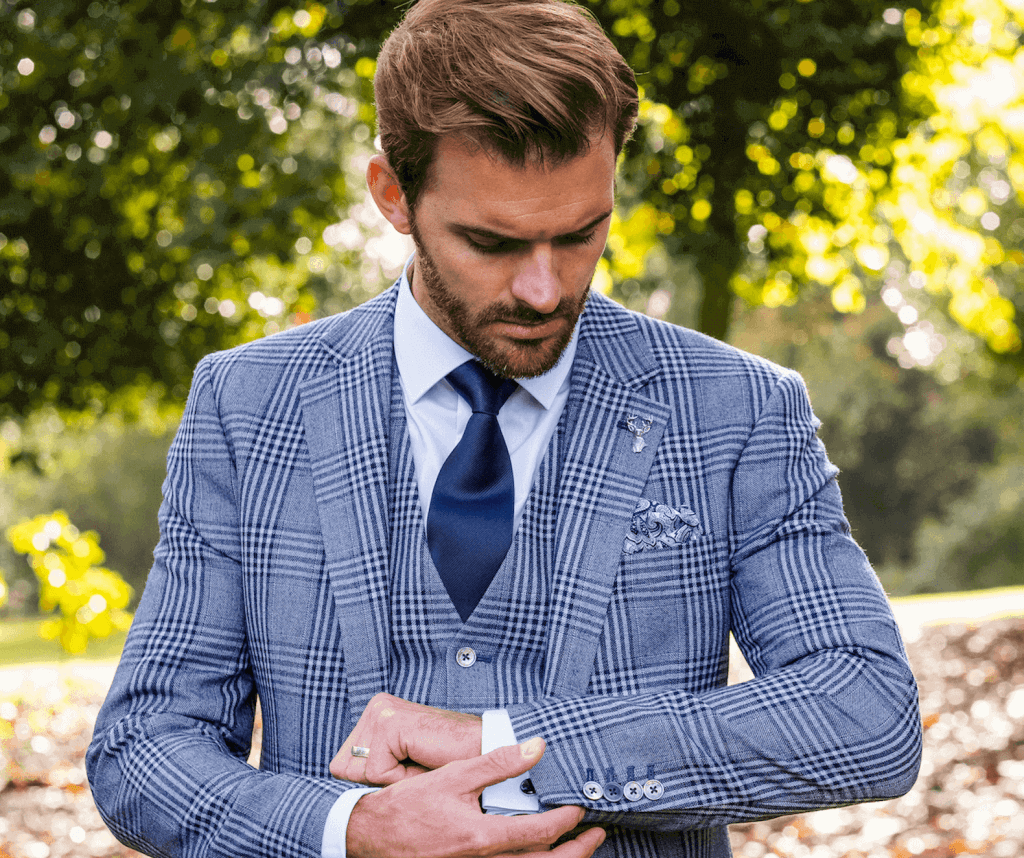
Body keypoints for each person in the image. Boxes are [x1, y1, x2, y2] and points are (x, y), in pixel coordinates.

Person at [86, 1, 923, 856]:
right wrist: (352, 830)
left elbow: (863, 711)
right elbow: (143, 749)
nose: (543, 289)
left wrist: (512, 746)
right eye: (490, 241)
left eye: (580, 233)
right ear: (392, 195)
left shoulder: (738, 409)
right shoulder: (247, 403)